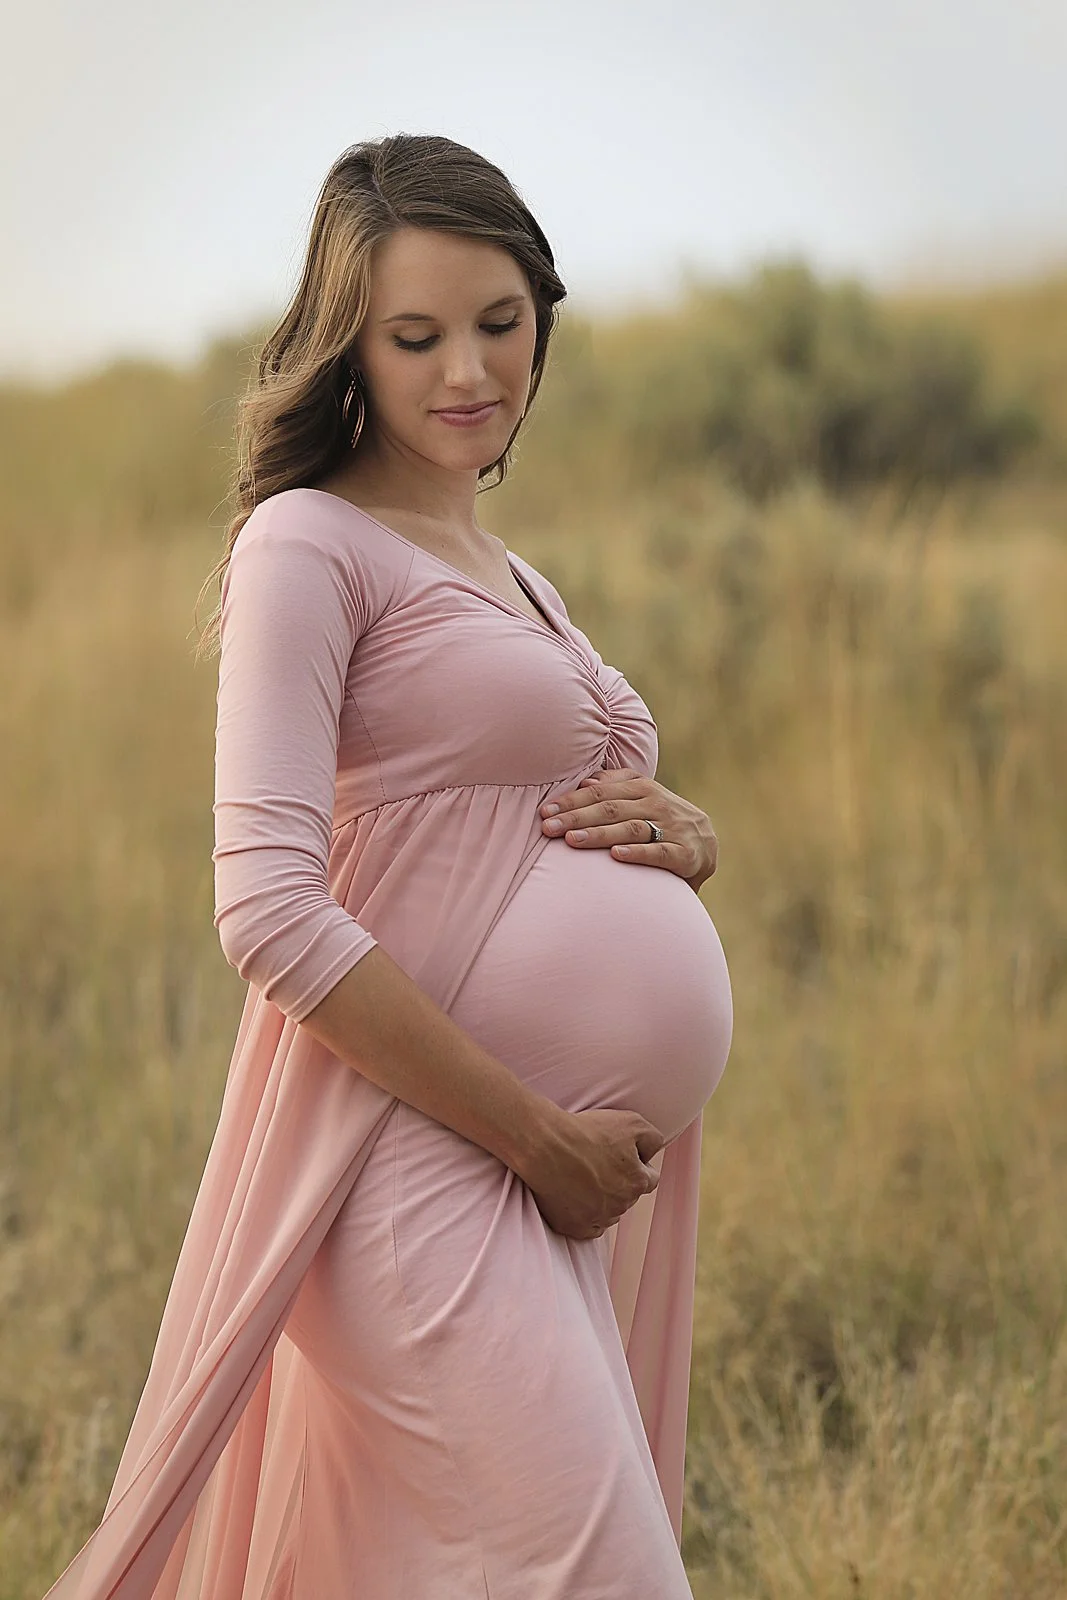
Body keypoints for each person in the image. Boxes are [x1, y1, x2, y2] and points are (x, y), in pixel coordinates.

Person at [43, 132, 733, 1600]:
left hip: (534, 1180)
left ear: (544, 312)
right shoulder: (308, 542)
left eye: (500, 322)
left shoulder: (511, 570)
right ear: (346, 345)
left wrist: (688, 838)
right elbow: (267, 909)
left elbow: (512, 811)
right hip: (423, 1165)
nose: (468, 371)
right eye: (415, 337)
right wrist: (532, 1135)